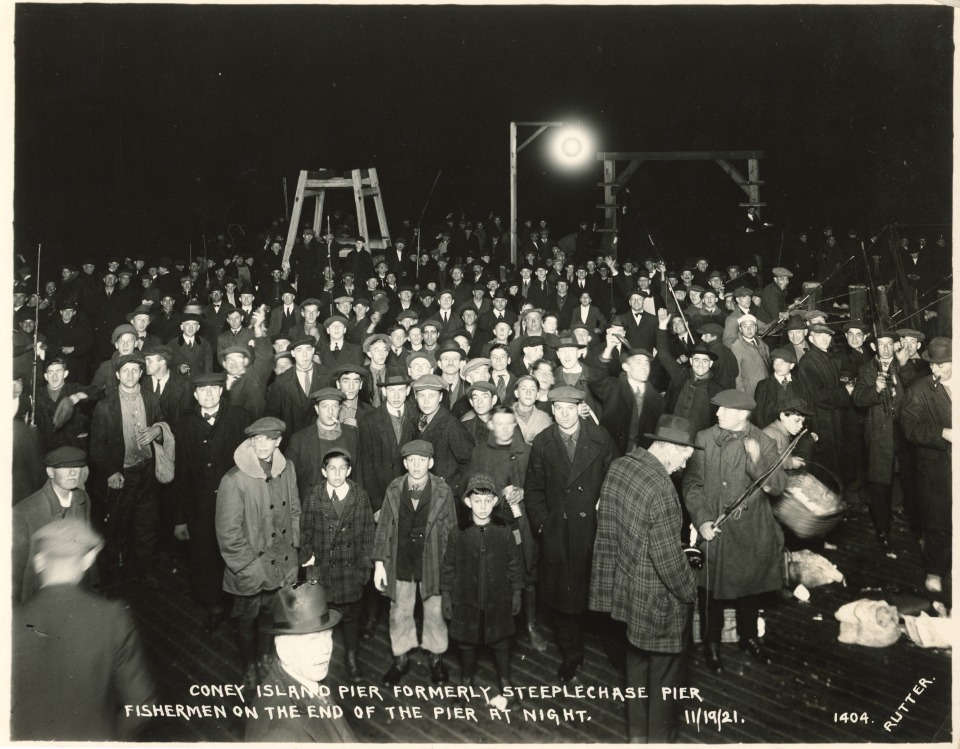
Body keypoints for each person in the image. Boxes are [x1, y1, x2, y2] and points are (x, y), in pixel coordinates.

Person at [590, 415, 701, 743]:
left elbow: (609, 525)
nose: (684, 463)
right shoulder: (662, 488)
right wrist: (690, 587)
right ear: (669, 447)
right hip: (657, 601)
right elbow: (668, 562)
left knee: (636, 666)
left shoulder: (621, 466)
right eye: (684, 455)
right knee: (665, 679)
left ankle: (637, 738)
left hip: (626, 591)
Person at [12, 519, 156, 741]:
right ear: (88, 560)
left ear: (39, 561)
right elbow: (142, 704)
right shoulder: (111, 617)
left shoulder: (13, 621)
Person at [683, 389, 787, 675]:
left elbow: (777, 485)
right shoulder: (705, 439)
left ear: (742, 414)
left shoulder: (762, 440)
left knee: (749, 589)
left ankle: (748, 637)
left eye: (724, 410)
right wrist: (702, 520)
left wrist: (756, 461)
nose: (717, 414)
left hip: (751, 529)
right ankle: (711, 643)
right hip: (716, 526)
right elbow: (692, 485)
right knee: (711, 591)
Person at [524, 386, 618, 683]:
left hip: (597, 531)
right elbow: (534, 490)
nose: (564, 413)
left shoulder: (600, 437)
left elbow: (615, 478)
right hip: (559, 534)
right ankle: (572, 656)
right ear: (552, 410)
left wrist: (608, 514)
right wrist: (544, 524)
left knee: (604, 596)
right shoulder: (543, 442)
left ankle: (616, 653)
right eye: (558, 408)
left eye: (570, 407)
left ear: (581, 408)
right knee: (564, 602)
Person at [216, 416, 301, 687]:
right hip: (251, 564)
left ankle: (265, 657)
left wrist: (294, 547)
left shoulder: (287, 469)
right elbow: (228, 532)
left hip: (281, 560)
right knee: (246, 617)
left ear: (278, 442)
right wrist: (246, 565)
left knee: (271, 612)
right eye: (257, 439)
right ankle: (249, 664)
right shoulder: (234, 479)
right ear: (250, 441)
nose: (262, 444)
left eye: (269, 439)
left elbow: (295, 510)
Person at [373, 439, 457, 686]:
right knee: (399, 611)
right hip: (401, 560)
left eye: (422, 460)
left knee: (435, 611)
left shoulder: (443, 490)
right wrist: (379, 563)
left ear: (431, 462)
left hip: (433, 562)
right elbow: (384, 528)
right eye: (411, 461)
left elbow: (452, 531)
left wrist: (451, 568)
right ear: (404, 463)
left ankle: (436, 658)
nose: (417, 465)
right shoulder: (394, 488)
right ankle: (400, 658)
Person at [173, 372, 251, 631]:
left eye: (213, 389)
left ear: (221, 392)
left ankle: (240, 605)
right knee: (206, 556)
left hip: (236, 502)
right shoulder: (185, 424)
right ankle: (214, 606)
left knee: (237, 550)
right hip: (200, 506)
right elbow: (181, 471)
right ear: (195, 395)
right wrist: (180, 518)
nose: (208, 394)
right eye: (202, 390)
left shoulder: (239, 418)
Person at [442, 473, 523, 703]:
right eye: (477, 501)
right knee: (467, 642)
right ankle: (465, 681)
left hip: (498, 599)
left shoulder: (503, 530)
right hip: (466, 599)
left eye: (488, 501)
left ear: (495, 502)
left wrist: (516, 592)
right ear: (468, 502)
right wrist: (447, 596)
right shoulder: (458, 533)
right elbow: (448, 567)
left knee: (501, 641)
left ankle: (505, 682)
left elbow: (514, 564)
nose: (483, 506)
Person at [89, 350, 166, 589]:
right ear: (117, 374)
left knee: (147, 524)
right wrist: (111, 472)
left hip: (147, 472)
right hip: (122, 473)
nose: (131, 374)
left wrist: (158, 430)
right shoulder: (105, 405)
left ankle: (146, 571)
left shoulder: (151, 399)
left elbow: (163, 423)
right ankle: (114, 575)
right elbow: (97, 445)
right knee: (117, 525)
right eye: (125, 371)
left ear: (142, 373)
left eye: (135, 370)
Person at [246, 581, 357, 742]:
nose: (325, 649)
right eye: (312, 640)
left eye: (327, 636)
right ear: (285, 651)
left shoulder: (306, 675)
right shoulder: (280, 735)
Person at [300, 447, 375, 682]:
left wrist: (364, 568)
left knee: (351, 617)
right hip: (323, 570)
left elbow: (367, 534)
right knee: (323, 617)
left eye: (342, 468)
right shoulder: (315, 496)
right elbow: (306, 531)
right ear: (324, 471)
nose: (337, 473)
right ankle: (321, 660)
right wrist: (308, 563)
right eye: (332, 468)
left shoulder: (359, 495)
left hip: (350, 569)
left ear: (349, 470)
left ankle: (351, 658)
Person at [900, 337, 952, 595]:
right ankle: (934, 570)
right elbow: (909, 428)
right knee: (937, 521)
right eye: (932, 365)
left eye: (941, 365)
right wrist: (942, 433)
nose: (935, 370)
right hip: (935, 467)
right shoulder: (920, 390)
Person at [13, 446, 94, 603]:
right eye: (65, 467)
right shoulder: (25, 512)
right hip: (38, 597)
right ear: (50, 472)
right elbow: (13, 571)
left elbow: (87, 544)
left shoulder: (82, 499)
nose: (73, 473)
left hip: (74, 591)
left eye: (77, 467)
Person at [587, 328, 663, 454]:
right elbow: (596, 379)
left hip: (642, 457)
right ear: (625, 367)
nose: (644, 367)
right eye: (638, 362)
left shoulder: (657, 399)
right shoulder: (614, 387)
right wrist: (608, 349)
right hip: (612, 453)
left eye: (646, 363)